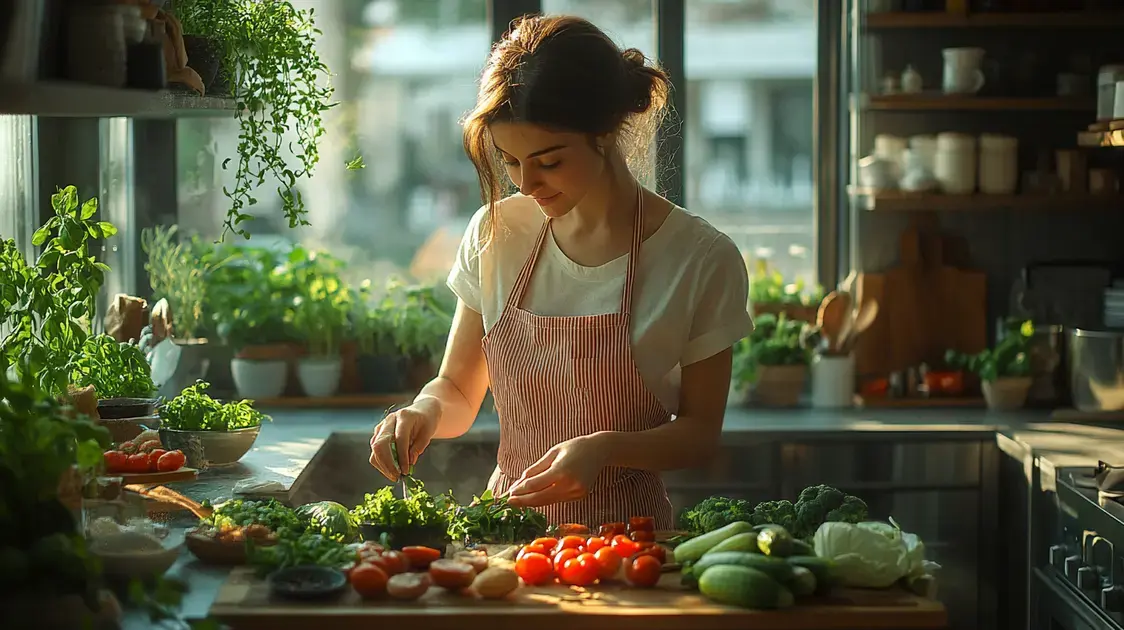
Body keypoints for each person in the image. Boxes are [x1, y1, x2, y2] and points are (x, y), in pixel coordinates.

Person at [369, 14, 752, 529]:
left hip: (628, 545)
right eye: (509, 160)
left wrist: (604, 449)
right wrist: (423, 413)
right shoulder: (495, 235)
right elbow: (458, 391)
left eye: (548, 162)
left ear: (606, 131)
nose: (526, 183)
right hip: (507, 535)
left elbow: (701, 433)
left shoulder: (700, 258)